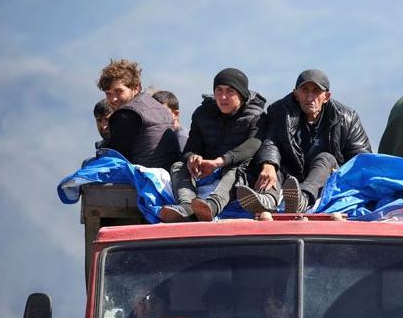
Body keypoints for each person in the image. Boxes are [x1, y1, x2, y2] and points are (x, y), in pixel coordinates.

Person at [236, 69, 372, 214]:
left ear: (326, 96)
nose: (309, 97)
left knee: (326, 158)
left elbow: (362, 159)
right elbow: (271, 141)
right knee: (276, 165)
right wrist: (268, 164)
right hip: (291, 179)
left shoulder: (347, 118)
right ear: (296, 94)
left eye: (316, 91)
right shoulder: (280, 111)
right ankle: (267, 200)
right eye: (305, 90)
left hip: (328, 177)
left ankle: (303, 200)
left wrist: (341, 175)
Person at [159, 68, 266, 222]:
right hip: (207, 171)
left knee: (234, 170)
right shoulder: (202, 114)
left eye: (230, 91)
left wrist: (220, 162)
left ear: (242, 94)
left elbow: (252, 145)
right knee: (178, 166)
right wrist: (193, 158)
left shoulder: (257, 116)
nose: (223, 97)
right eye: (219, 90)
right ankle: (187, 206)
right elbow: (190, 149)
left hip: (239, 170)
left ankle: (211, 207)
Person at [97, 59, 180, 170]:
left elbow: (113, 156)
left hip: (141, 179)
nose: (113, 99)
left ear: (136, 87)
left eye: (119, 91)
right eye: (108, 93)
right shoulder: (160, 108)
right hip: (166, 176)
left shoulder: (127, 113)